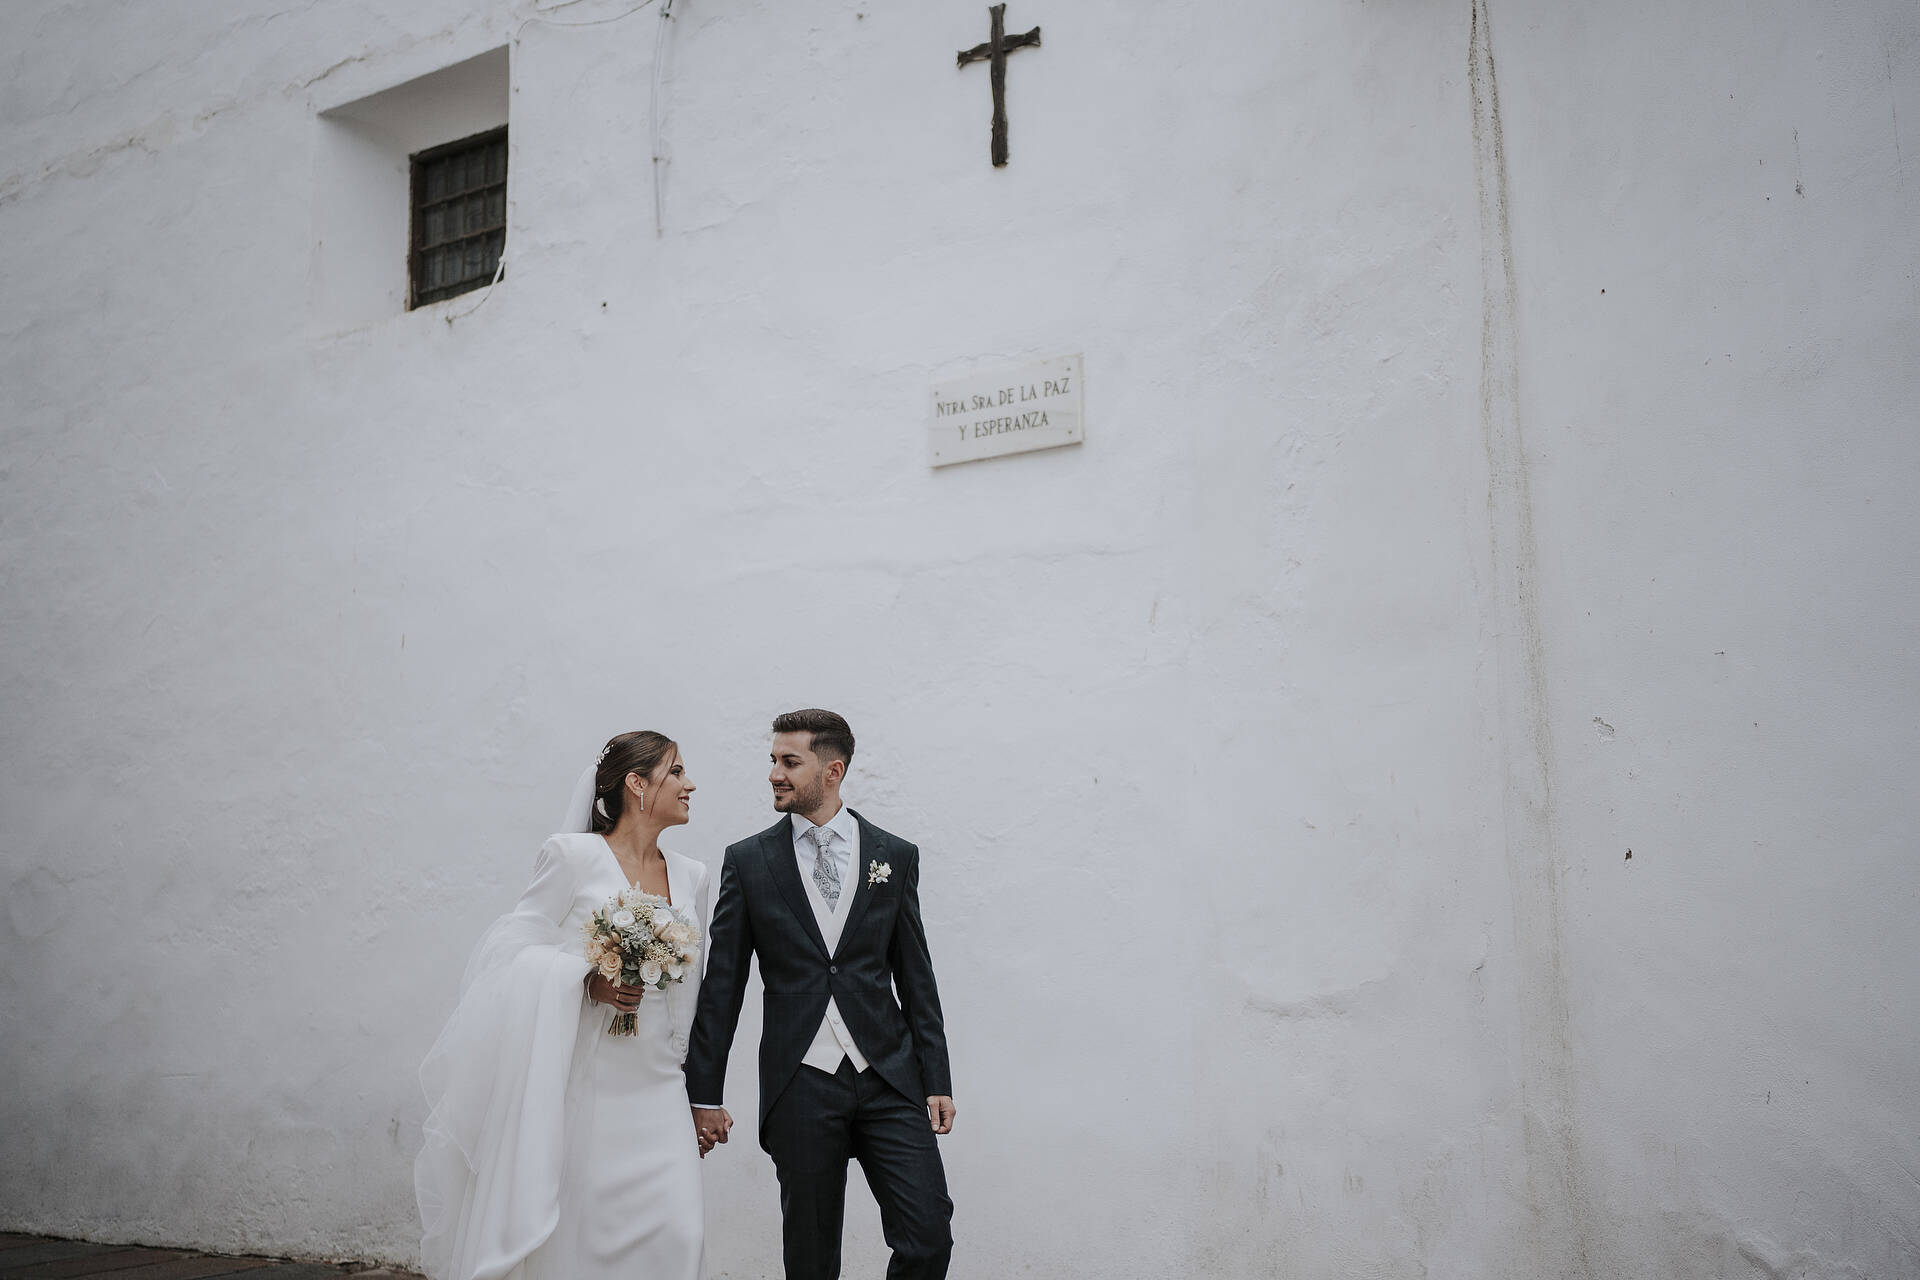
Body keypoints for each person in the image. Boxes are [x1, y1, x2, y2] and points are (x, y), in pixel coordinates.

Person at [415, 731, 722, 1280]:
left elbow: (696, 993)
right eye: (676, 772)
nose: (689, 784)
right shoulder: (571, 857)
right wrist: (584, 979)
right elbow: (509, 953)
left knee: (681, 1235)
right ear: (636, 784)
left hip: (660, 1089)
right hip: (590, 1087)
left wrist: (701, 1095)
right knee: (580, 1242)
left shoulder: (693, 875)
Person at [686, 709, 956, 1280]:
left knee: (928, 1234)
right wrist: (703, 1092)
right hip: (801, 1083)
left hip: (889, 1076)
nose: (774, 775)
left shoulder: (894, 855)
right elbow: (723, 988)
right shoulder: (749, 861)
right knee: (810, 1259)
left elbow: (917, 978)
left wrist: (936, 1078)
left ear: (832, 771)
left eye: (790, 762)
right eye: (773, 761)